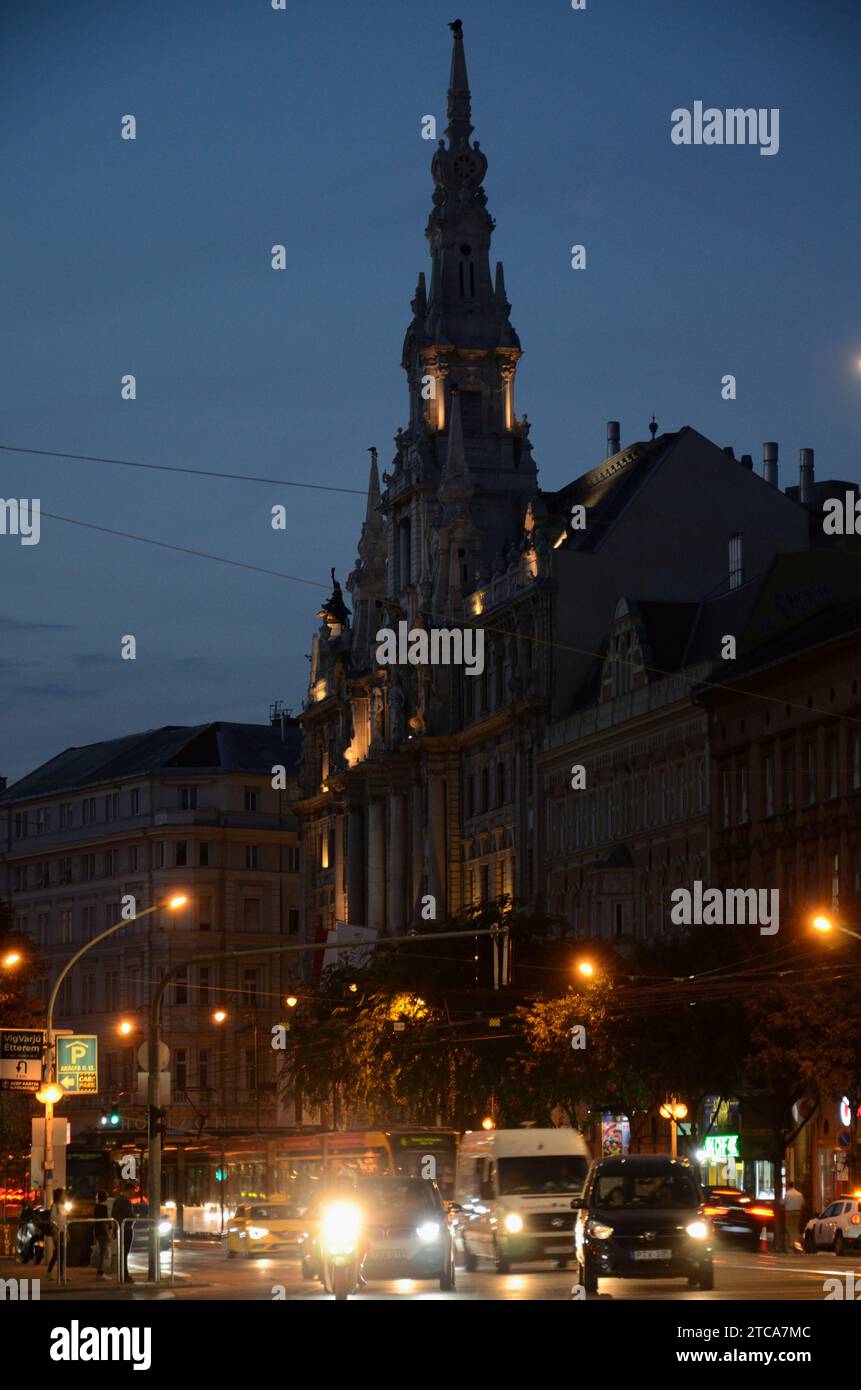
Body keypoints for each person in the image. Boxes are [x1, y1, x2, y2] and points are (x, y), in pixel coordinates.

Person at [111, 1184, 136, 1282]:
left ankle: (123, 1274)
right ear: (128, 1191)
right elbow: (130, 1215)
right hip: (125, 1229)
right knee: (124, 1253)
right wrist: (134, 1217)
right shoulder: (125, 1201)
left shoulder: (117, 1200)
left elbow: (113, 1214)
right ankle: (125, 1275)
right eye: (133, 1192)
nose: (133, 1194)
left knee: (123, 1253)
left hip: (120, 1229)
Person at [46, 1187, 67, 1279]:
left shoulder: (62, 1206)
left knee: (59, 1254)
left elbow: (65, 1221)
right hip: (57, 1233)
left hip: (62, 1232)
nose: (65, 1196)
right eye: (63, 1194)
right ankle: (59, 1274)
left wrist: (67, 1233)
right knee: (59, 1253)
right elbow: (52, 1220)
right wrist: (55, 1234)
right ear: (59, 1196)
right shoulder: (55, 1206)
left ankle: (57, 1273)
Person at [93, 1189, 110, 1278]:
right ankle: (100, 1272)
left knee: (101, 1251)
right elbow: (104, 1222)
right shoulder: (103, 1208)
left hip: (97, 1231)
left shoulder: (96, 1207)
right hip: (103, 1232)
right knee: (103, 1252)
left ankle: (100, 1271)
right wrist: (108, 1234)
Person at [784, 1182, 804, 1252]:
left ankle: (792, 1244)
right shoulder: (799, 1194)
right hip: (798, 1212)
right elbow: (802, 1203)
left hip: (789, 1212)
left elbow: (784, 1203)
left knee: (790, 1228)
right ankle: (796, 1245)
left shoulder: (787, 1194)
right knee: (796, 1228)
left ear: (788, 1186)